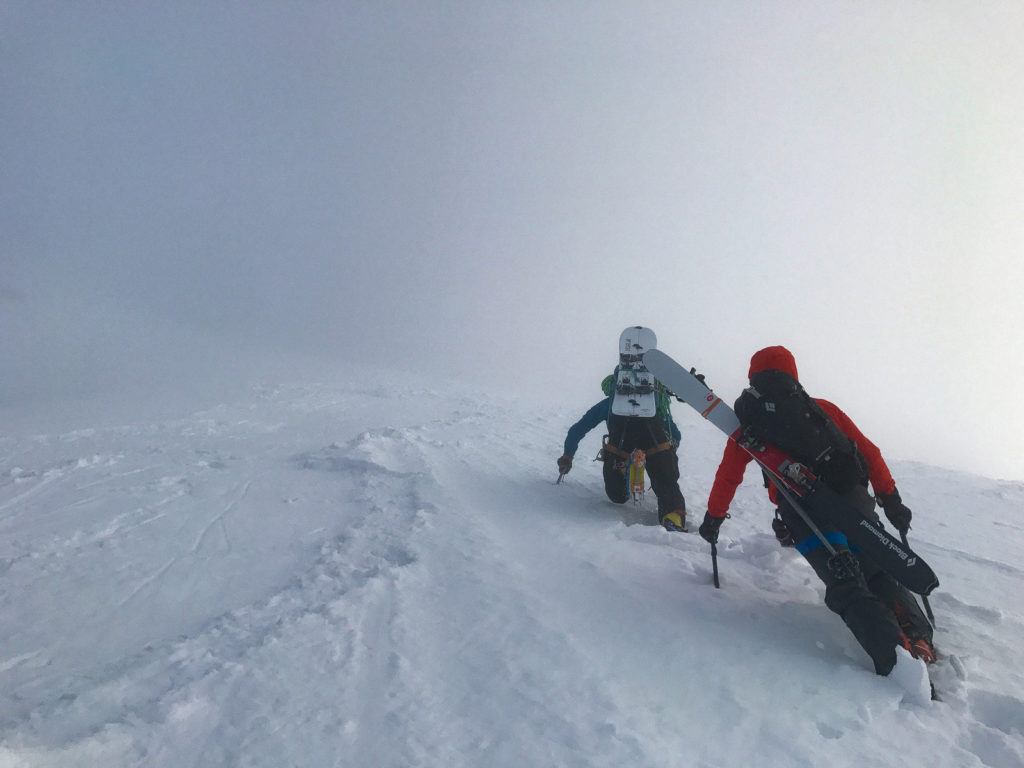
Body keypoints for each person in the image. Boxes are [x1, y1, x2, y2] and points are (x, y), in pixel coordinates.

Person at [696, 345, 935, 676]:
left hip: (804, 512)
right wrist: (891, 500)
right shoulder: (822, 410)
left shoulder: (750, 425)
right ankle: (919, 639)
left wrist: (714, 517)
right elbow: (869, 453)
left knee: (844, 580)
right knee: (878, 571)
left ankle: (897, 658)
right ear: (793, 375)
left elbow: (729, 475)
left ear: (753, 377)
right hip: (855, 504)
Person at [558, 327, 688, 531]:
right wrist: (672, 452)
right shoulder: (655, 405)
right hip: (654, 442)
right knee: (665, 479)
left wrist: (568, 455)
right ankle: (672, 517)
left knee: (617, 495)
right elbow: (674, 433)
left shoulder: (609, 405)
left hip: (620, 445)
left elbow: (578, 429)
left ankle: (624, 486)